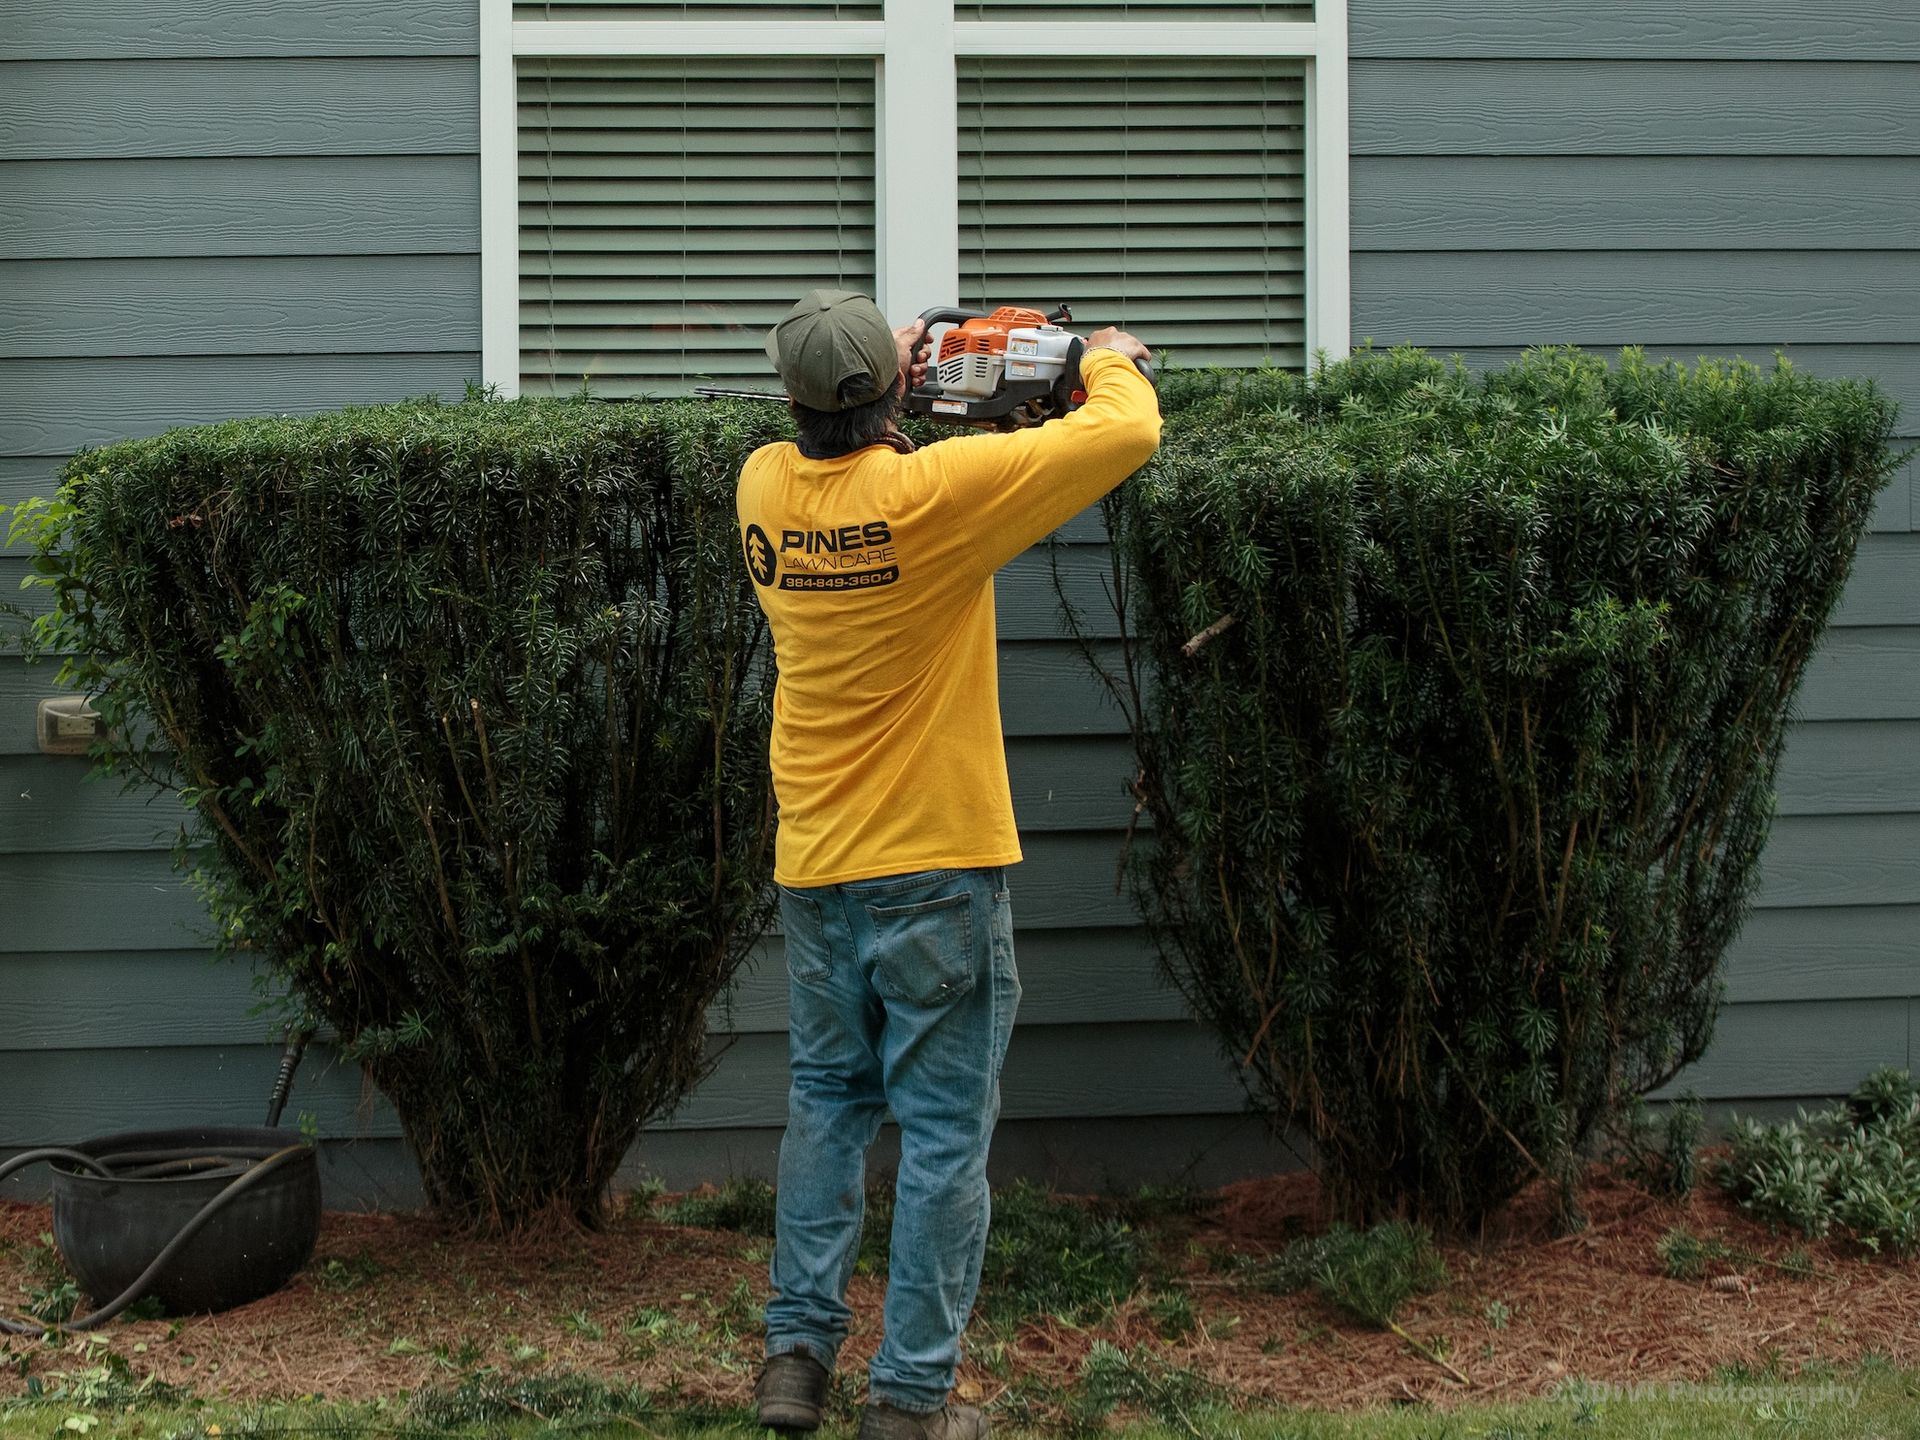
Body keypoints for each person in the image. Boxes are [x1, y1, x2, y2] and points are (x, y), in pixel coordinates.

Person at [737, 289, 1160, 1440]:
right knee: (939, 1136)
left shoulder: (763, 486)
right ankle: (911, 1403)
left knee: (827, 1100)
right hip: (932, 870)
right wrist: (1101, 357)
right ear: (894, 394)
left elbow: (853, 430)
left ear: (791, 399)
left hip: (816, 861)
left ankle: (796, 1361)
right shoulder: (934, 501)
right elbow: (1122, 432)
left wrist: (897, 376)